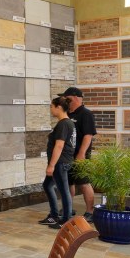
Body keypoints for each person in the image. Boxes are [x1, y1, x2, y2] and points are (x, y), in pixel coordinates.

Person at [60, 87, 97, 221]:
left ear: (75, 98)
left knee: (84, 183)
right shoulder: (67, 114)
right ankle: (68, 209)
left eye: (67, 98)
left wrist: (81, 154)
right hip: (67, 156)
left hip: (80, 156)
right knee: (68, 183)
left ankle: (90, 212)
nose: (65, 101)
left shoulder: (86, 114)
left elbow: (88, 135)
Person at [40, 96, 76, 228]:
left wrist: (51, 165)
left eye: (51, 106)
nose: (50, 109)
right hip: (61, 162)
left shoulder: (64, 124)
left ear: (58, 107)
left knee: (64, 191)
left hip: (60, 163)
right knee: (47, 185)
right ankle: (54, 216)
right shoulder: (67, 123)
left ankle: (66, 220)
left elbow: (59, 146)